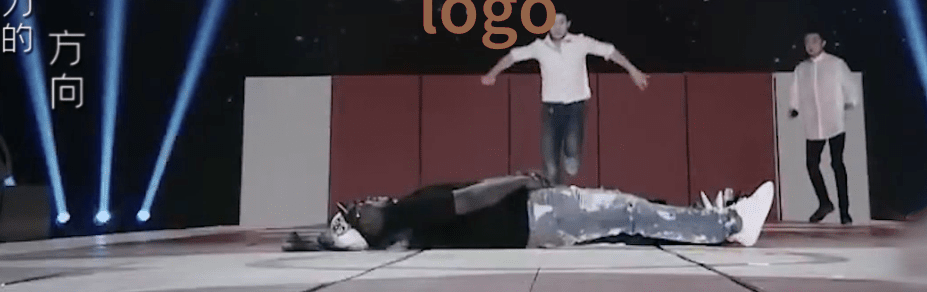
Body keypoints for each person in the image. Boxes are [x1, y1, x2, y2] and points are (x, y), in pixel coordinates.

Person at [286, 174, 776, 252]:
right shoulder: (408, 214)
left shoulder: (409, 233)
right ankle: (731, 224)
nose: (368, 200)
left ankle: (707, 221)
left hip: (533, 230)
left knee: (624, 220)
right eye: (359, 210)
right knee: (626, 212)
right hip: (535, 214)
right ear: (367, 228)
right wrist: (518, 179)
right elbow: (470, 198)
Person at [480, 13, 649, 184]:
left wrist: (632, 70)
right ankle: (554, 193)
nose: (557, 27)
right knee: (550, 164)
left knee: (572, 150)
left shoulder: (580, 42)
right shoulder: (539, 47)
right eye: (553, 23)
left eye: (561, 22)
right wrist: (492, 74)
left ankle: (572, 156)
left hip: (575, 105)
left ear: (568, 24)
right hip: (551, 108)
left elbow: (609, 51)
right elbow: (513, 56)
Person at [788, 33, 858, 224]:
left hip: (833, 121)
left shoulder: (836, 64)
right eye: (807, 42)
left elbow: (849, 85)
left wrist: (850, 101)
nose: (810, 45)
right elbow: (795, 90)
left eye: (814, 41)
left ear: (823, 43)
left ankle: (845, 211)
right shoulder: (801, 69)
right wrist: (794, 107)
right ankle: (825, 202)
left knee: (837, 164)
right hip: (813, 122)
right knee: (812, 164)